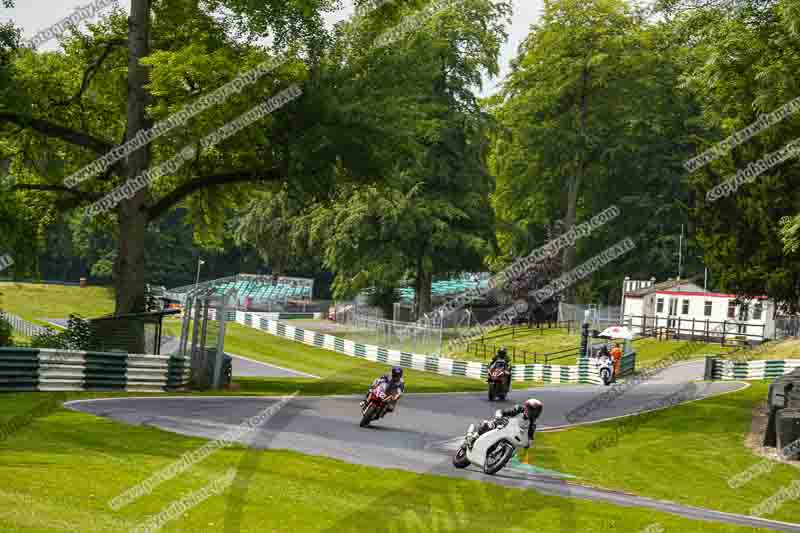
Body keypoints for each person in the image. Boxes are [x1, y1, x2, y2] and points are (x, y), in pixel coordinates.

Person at [467, 398, 543, 448]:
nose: (534, 413)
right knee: (489, 425)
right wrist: (500, 416)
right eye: (532, 410)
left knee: (515, 447)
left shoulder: (533, 423)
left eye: (537, 411)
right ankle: (473, 439)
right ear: (527, 408)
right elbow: (502, 411)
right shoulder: (518, 409)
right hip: (503, 425)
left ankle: (501, 458)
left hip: (512, 435)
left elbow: (530, 437)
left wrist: (528, 443)